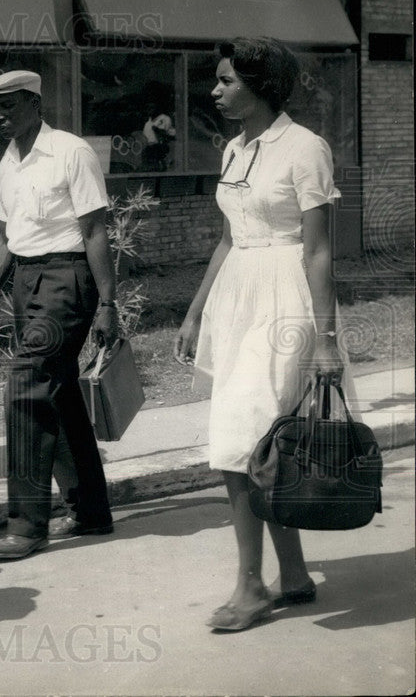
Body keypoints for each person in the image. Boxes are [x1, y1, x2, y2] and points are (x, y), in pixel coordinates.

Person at [173, 37, 346, 632]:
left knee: (240, 443)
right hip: (237, 299)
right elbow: (228, 238)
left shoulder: (305, 148)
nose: (215, 91)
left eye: (226, 81)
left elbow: (320, 251)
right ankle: (293, 574)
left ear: (260, 84)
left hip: (287, 301)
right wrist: (195, 312)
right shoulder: (232, 149)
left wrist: (325, 340)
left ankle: (250, 586)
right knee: (266, 443)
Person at [0, 70, 118, 560]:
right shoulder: (8, 161)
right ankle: (90, 510)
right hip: (26, 280)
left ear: (35, 102)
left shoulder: (72, 152)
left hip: (68, 278)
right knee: (59, 392)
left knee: (26, 387)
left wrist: (108, 304)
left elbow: (95, 230)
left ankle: (27, 525)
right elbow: (5, 241)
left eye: (9, 105)